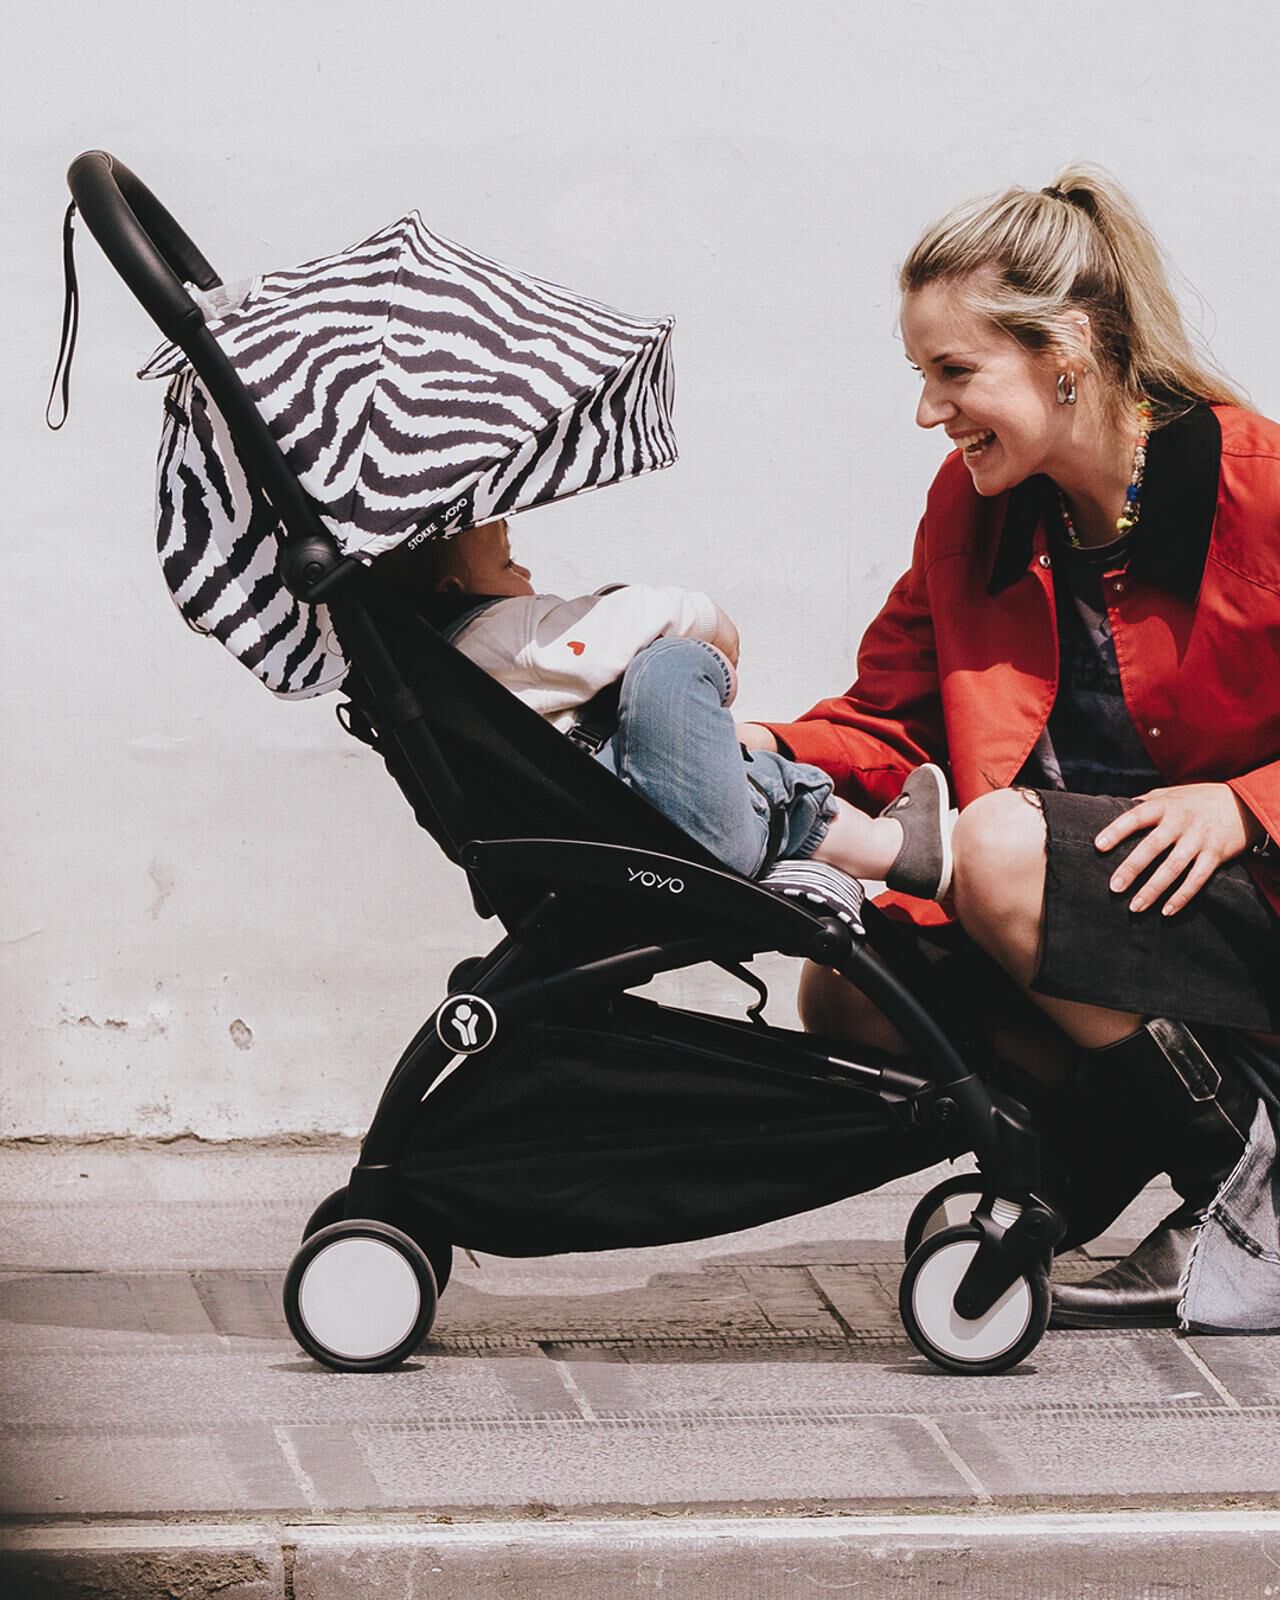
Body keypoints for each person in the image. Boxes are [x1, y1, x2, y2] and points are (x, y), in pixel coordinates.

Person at [737, 166, 1280, 1330]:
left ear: (1066, 350)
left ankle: (1247, 1196)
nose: (929, 411)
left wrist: (1241, 805)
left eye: (953, 372)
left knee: (989, 849)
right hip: (1111, 916)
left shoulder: (1258, 488)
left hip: (1249, 903)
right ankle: (1184, 1167)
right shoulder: (973, 506)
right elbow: (886, 717)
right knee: (848, 992)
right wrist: (740, 748)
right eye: (919, 375)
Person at [387, 515, 952, 896]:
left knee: (757, 777)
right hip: (667, 832)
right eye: (510, 565)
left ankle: (893, 848)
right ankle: (879, 845)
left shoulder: (430, 677)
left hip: (615, 834)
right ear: (453, 589)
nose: (527, 576)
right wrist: (705, 629)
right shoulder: (500, 633)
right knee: (668, 662)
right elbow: (610, 631)